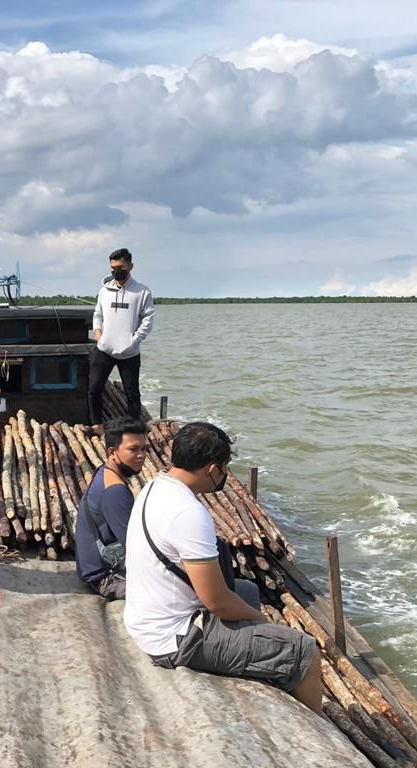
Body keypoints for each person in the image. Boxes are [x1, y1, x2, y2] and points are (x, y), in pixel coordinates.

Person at [123, 422, 322, 714]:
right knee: (304, 651)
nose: (226, 475)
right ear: (213, 469)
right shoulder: (188, 513)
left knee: (247, 590)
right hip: (174, 637)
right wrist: (262, 623)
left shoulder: (156, 485)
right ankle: (317, 728)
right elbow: (216, 602)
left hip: (148, 616)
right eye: (226, 467)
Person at [74, 418, 147, 600]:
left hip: (93, 566)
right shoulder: (115, 492)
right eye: (133, 449)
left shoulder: (104, 472)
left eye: (144, 449)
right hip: (106, 578)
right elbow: (136, 547)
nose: (142, 455)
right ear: (112, 452)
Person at [89, 248, 155, 426]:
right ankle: (97, 426)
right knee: (94, 389)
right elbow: (98, 314)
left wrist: (135, 341)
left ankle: (133, 428)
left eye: (121, 267)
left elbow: (148, 319)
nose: (117, 271)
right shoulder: (104, 291)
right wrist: (98, 335)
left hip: (129, 352)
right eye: (113, 267)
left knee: (132, 393)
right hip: (104, 349)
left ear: (130, 266)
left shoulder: (142, 292)